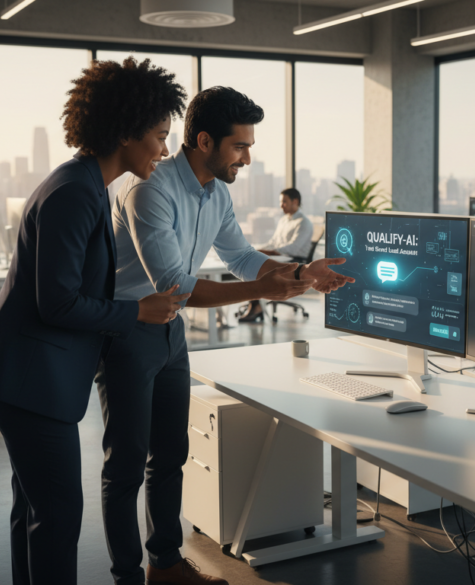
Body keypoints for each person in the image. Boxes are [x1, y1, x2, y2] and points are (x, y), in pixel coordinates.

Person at [101, 86, 353, 585]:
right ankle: (127, 577)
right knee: (126, 465)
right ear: (204, 141)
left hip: (170, 333)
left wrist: (300, 273)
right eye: (240, 146)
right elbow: (173, 285)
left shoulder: (216, 193)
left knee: (169, 455)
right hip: (128, 332)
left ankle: (165, 566)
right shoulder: (150, 189)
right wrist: (260, 290)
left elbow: (240, 257)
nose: (248, 159)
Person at [0, 58, 189, 585]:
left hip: (27, 372)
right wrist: (138, 310)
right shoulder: (74, 192)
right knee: (58, 513)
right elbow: (57, 303)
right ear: (126, 131)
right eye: (159, 135)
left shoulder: (87, 183)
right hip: (28, 377)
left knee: (35, 506)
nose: (163, 149)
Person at [239, 187, 314, 322]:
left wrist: (270, 252)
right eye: (280, 202)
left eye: (284, 202)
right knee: (252, 260)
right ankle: (255, 305)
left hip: (294, 260)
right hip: (280, 256)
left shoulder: (304, 222)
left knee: (257, 267)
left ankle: (256, 307)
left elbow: (294, 248)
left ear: (295, 201)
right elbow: (273, 242)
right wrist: (257, 249)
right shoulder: (284, 220)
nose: (281, 205)